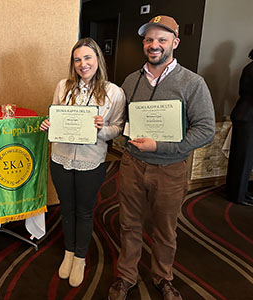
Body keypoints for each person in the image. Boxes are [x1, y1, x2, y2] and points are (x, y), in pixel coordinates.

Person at [108, 16, 215, 300]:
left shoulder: (193, 82)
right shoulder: (132, 80)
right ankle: (127, 276)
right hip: (132, 165)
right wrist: (100, 126)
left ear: (175, 43)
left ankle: (163, 277)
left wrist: (162, 145)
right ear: (144, 44)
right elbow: (124, 122)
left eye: (162, 40)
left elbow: (206, 130)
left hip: (170, 169)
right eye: (149, 40)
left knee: (165, 229)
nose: (154, 45)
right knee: (128, 224)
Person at [40, 38, 126, 288]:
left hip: (92, 160)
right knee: (67, 209)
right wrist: (49, 124)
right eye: (77, 59)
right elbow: (56, 116)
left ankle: (80, 257)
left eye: (88, 58)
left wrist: (101, 129)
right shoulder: (63, 86)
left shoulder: (114, 92)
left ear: (98, 59)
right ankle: (68, 251)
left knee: (84, 211)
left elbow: (118, 128)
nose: (82, 64)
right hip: (61, 158)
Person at [225, 49, 253, 205]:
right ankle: (237, 195)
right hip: (247, 117)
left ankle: (238, 191)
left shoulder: (250, 67)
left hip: (245, 115)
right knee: (243, 159)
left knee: (242, 158)